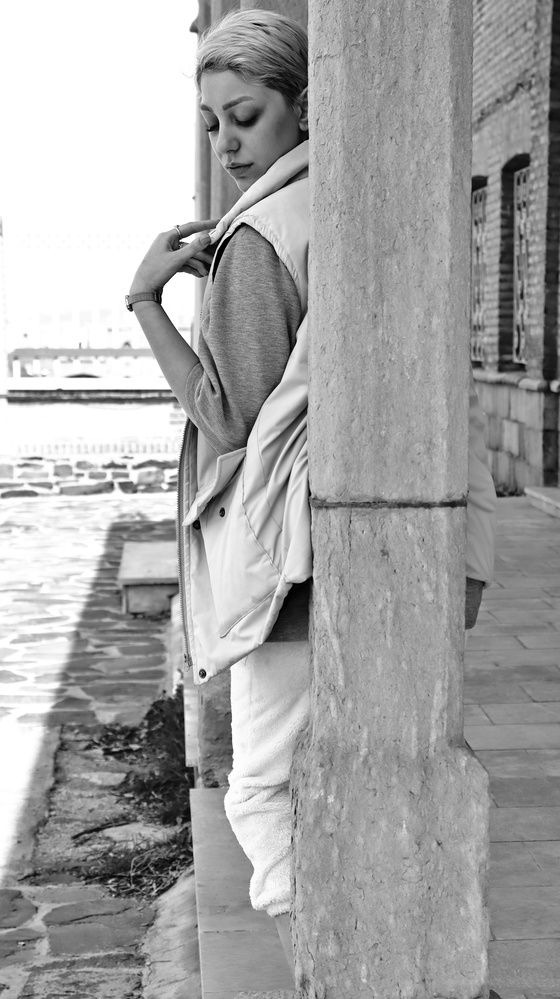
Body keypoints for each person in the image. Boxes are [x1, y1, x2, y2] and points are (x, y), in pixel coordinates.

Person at [127, 9, 496, 980]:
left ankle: (332, 976)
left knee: (261, 796)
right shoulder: (354, 203)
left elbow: (227, 418)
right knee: (360, 787)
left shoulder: (258, 237)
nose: (226, 143)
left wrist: (145, 301)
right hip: (366, 545)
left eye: (244, 116)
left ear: (302, 105)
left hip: (285, 561)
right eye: (212, 123)